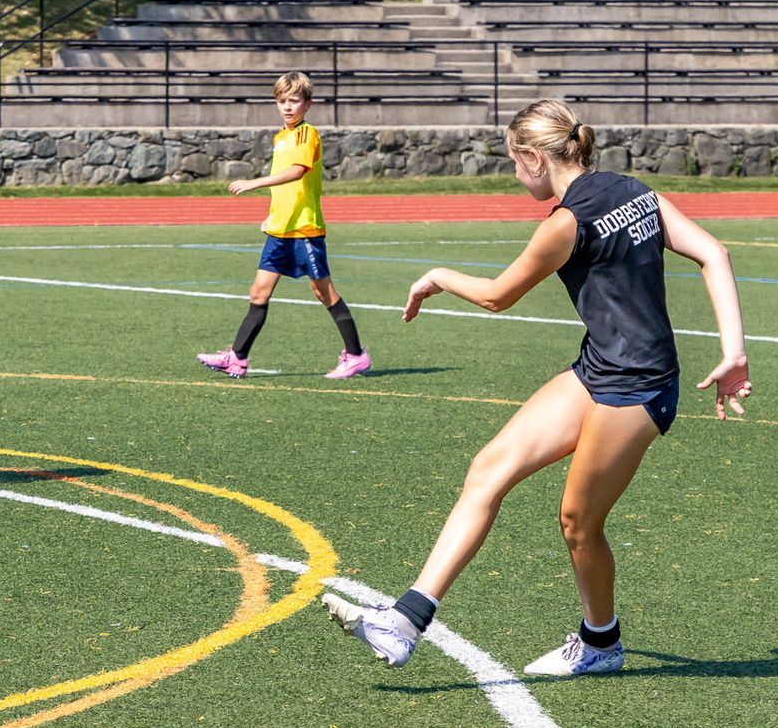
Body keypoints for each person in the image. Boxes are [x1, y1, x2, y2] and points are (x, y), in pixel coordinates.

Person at [321, 99, 751, 678]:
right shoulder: (637, 192)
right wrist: (733, 352)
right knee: (490, 467)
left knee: (577, 521)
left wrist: (438, 277)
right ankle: (404, 621)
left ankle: (601, 642)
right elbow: (714, 252)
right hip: (597, 367)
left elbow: (499, 296)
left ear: (533, 158)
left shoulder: (564, 224)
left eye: (513, 162)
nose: (514, 174)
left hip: (639, 386)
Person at [197, 71, 371, 380]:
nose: (287, 107)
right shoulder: (281, 137)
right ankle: (237, 358)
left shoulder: (307, 134)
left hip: (304, 230)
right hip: (280, 230)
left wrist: (254, 183)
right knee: (258, 293)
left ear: (308, 104)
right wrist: (272, 214)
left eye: (294, 101)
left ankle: (356, 355)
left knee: (324, 293)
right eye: (282, 101)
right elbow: (286, 189)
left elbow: (297, 172)